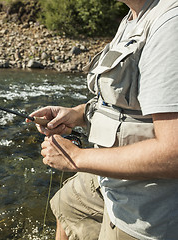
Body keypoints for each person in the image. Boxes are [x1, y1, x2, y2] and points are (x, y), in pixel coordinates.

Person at [28, 0, 178, 239]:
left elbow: (174, 154)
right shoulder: (132, 18)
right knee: (68, 205)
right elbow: (123, 105)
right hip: (111, 178)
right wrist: (78, 114)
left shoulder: (170, 26)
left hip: (146, 209)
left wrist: (76, 158)